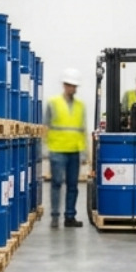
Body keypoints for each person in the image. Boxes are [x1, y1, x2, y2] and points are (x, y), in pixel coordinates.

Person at [46, 69, 88, 228]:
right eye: (70, 85)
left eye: (75, 86)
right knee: (56, 183)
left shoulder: (80, 106)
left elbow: (82, 129)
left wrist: (84, 153)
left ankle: (70, 216)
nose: (73, 89)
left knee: (73, 185)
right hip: (57, 149)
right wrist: (45, 149)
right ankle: (55, 216)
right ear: (64, 85)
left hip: (74, 151)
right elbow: (46, 126)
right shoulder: (53, 103)